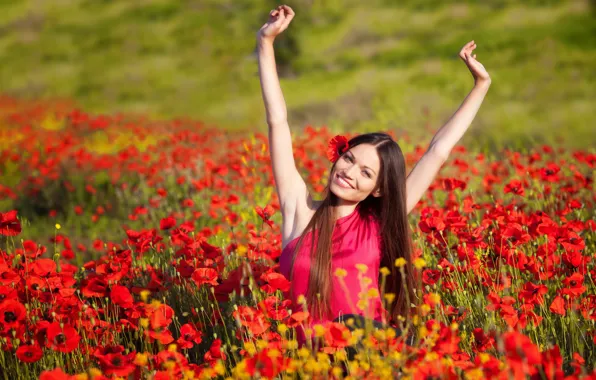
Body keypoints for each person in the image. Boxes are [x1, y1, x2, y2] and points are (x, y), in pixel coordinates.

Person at [256, 5, 491, 348]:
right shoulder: (299, 212)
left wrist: (481, 85)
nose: (349, 172)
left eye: (365, 172)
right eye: (349, 159)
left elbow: (437, 151)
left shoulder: (379, 222)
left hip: (369, 360)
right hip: (305, 364)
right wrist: (266, 43)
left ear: (379, 189)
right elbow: (277, 122)